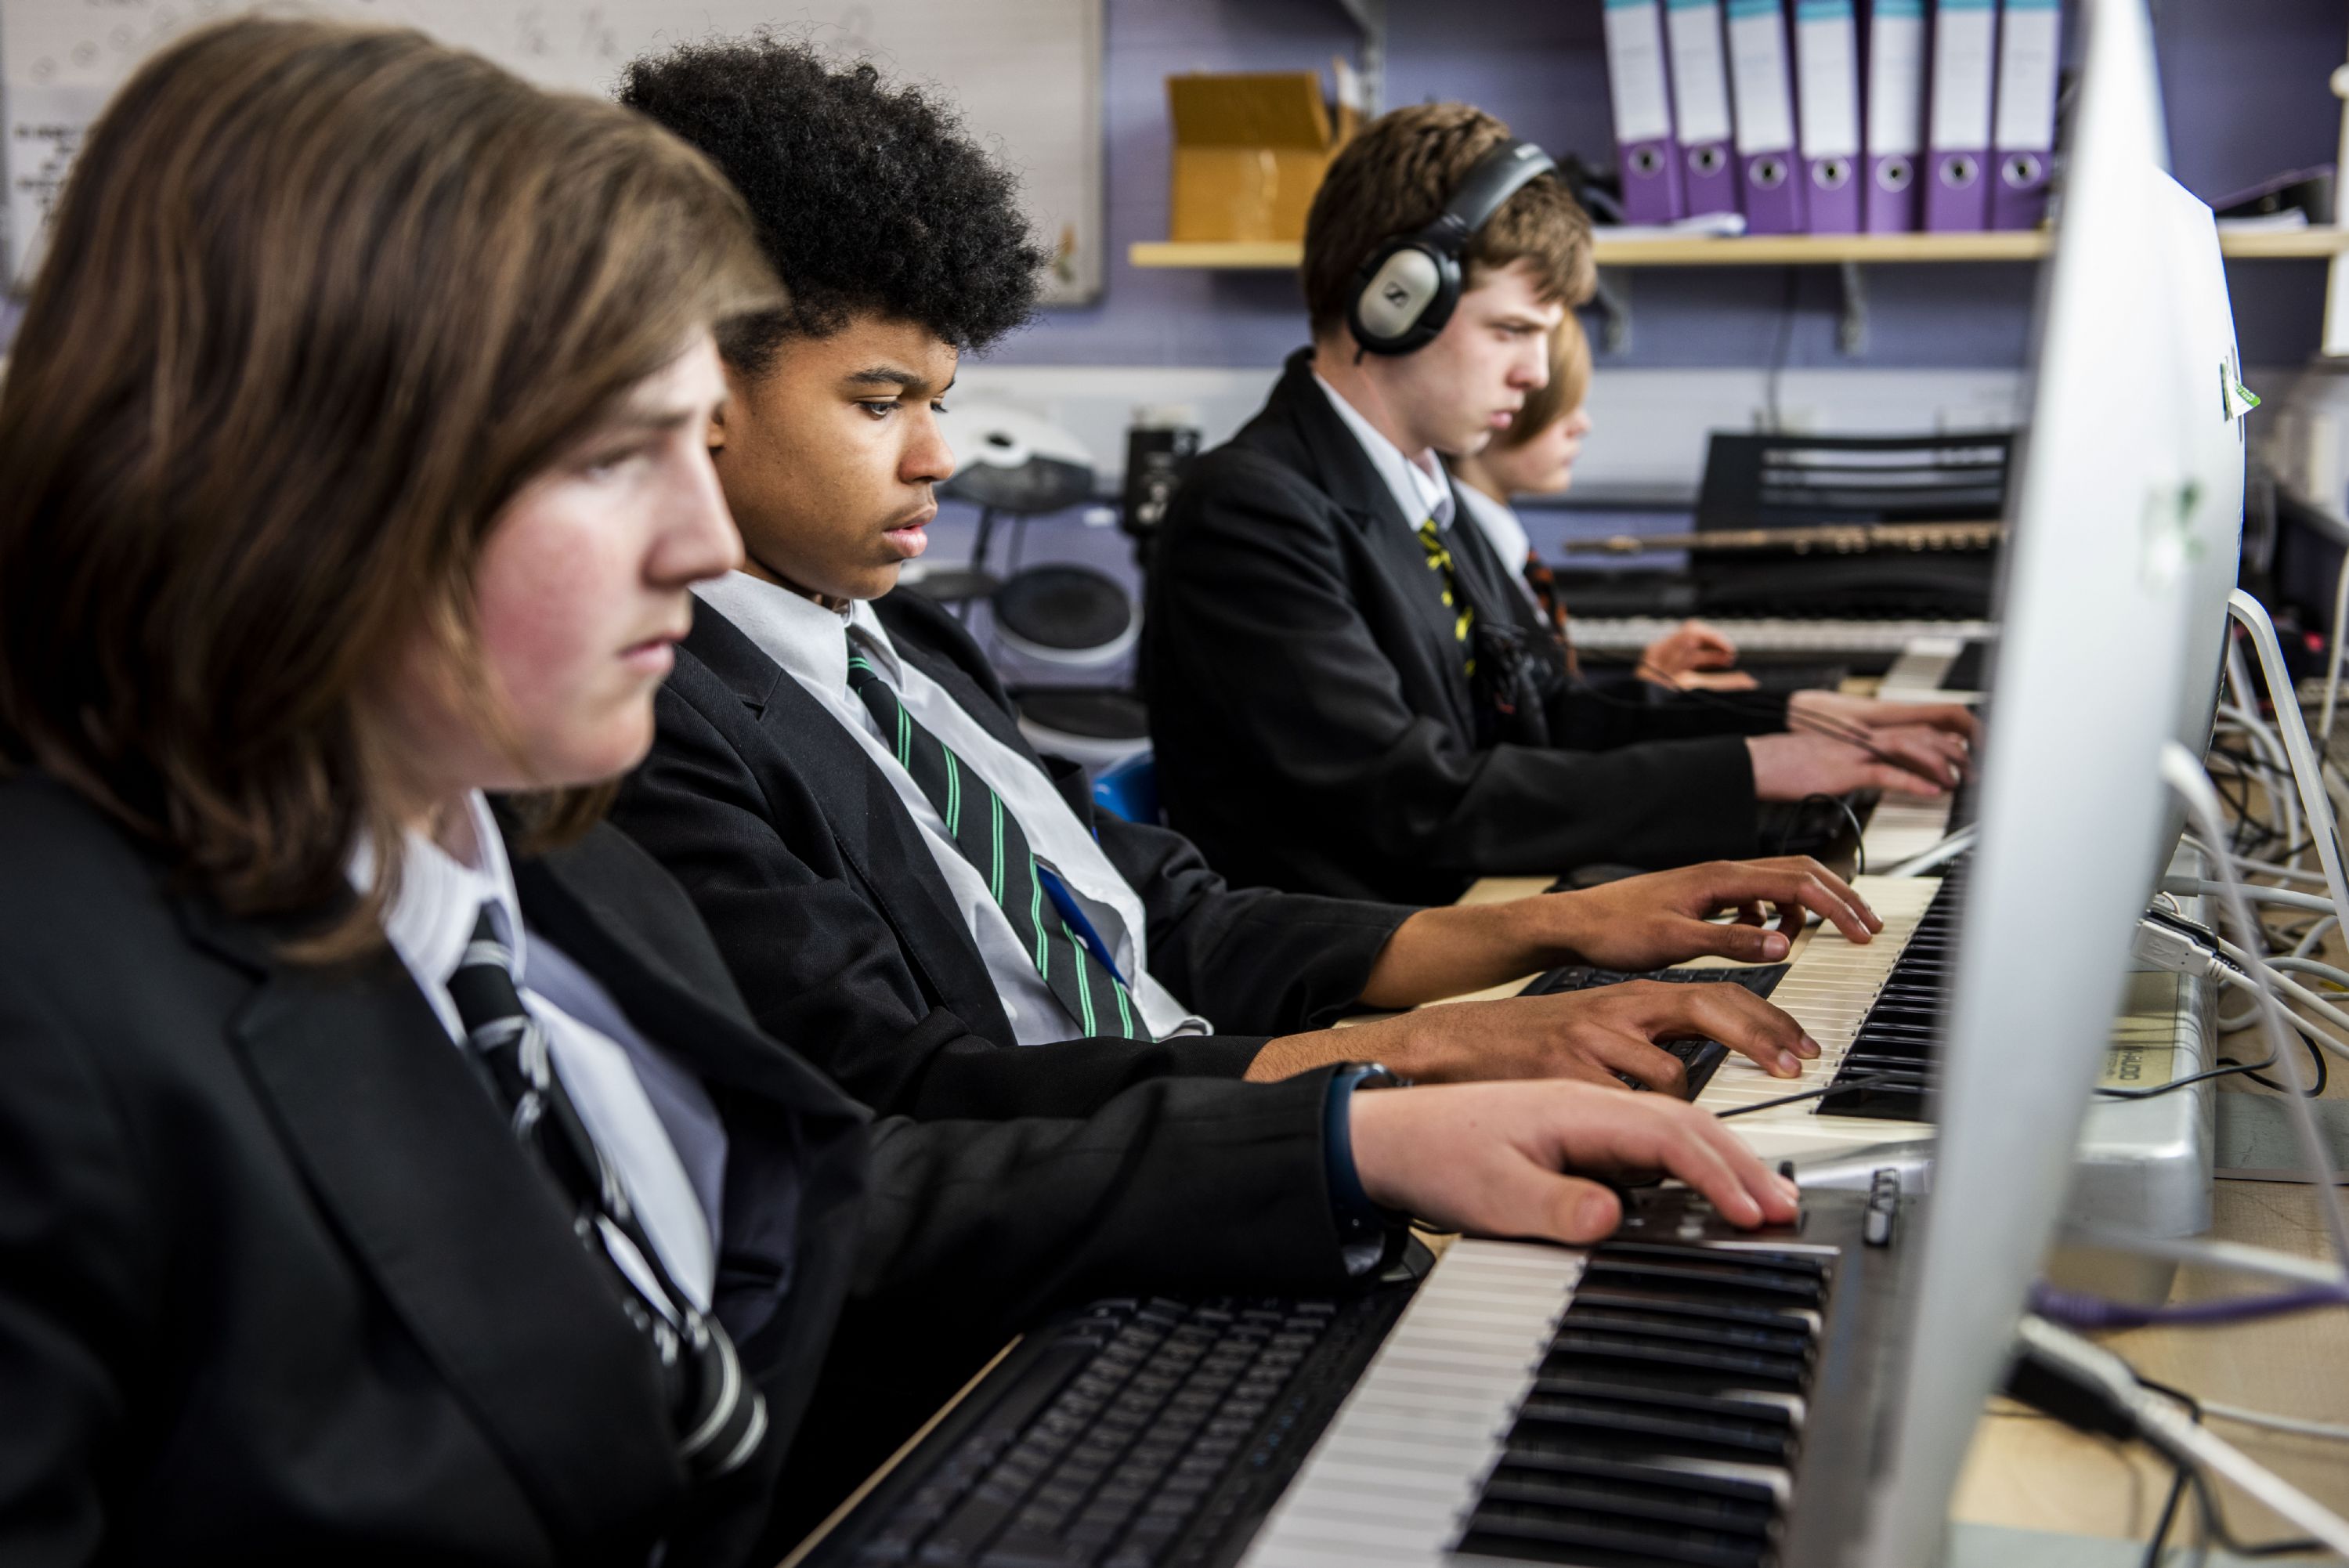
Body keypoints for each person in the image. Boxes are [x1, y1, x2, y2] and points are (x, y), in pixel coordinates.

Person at [0, 21, 1801, 1563]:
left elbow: (826, 1196)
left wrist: (1361, 1121)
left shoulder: (526, 856)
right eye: (619, 458)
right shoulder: (66, 1008)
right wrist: (1388, 1077)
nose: (701, 540)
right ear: (327, 470)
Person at [605, 37, 1880, 1117]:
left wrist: (1553, 929)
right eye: (881, 403)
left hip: (1206, 1099)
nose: (940, 456)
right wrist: (1400, 1063)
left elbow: (1166, 914)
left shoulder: (908, 645)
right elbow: (903, 1096)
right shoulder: (660, 722)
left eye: (940, 399)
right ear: (696, 391)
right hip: (1095, 1208)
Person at [1140, 103, 1978, 905]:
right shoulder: (1249, 511)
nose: (1537, 375)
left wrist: (1794, 719)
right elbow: (1413, 799)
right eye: (1510, 330)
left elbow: (1550, 708)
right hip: (1361, 990)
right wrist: (1756, 769)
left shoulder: (1422, 492)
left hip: (1474, 917)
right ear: (1393, 299)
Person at [1449, 311, 1758, 694]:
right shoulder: (1452, 564)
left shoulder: (1503, 546)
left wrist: (1643, 687)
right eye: (1562, 404)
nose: (1582, 424)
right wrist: (1648, 701)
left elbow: (1545, 723)